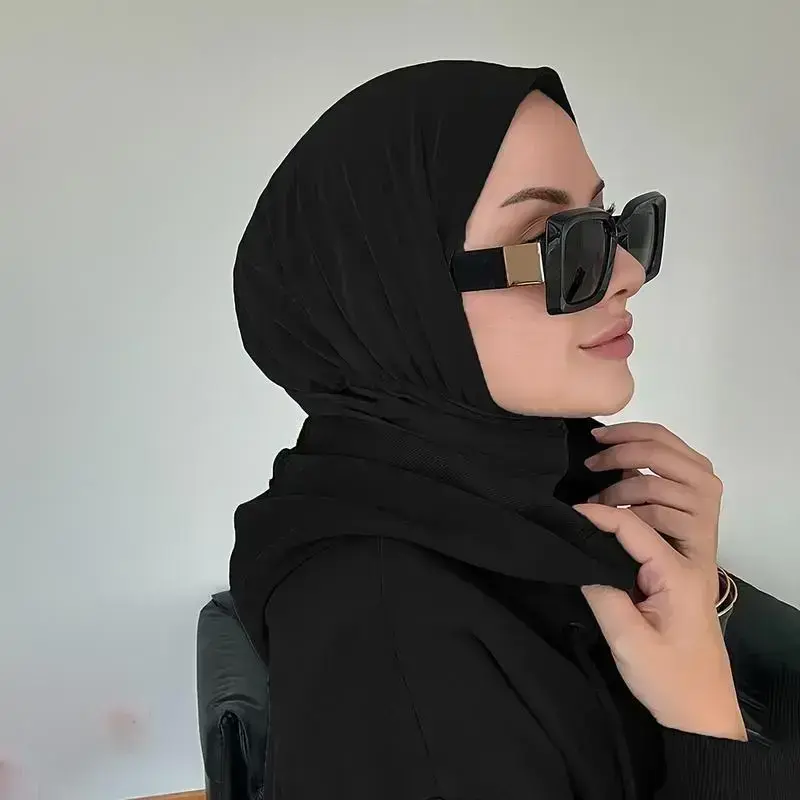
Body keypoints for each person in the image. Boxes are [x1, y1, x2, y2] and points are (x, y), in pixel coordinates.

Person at [229, 60, 800, 798]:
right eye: (557, 240)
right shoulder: (391, 639)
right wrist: (708, 724)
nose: (628, 271)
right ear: (395, 295)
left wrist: (703, 594)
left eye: (612, 225)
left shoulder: (550, 488)